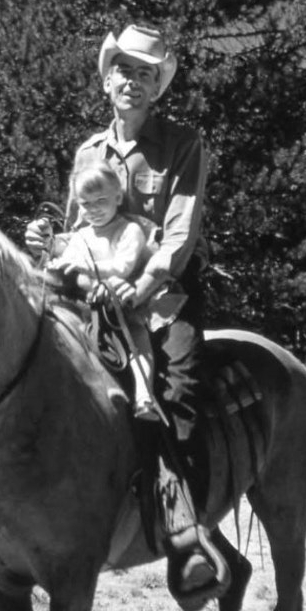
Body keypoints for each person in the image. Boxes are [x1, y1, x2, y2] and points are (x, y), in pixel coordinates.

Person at [0, 23, 227, 611]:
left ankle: (182, 533)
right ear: (108, 78)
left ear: (157, 85)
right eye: (124, 69)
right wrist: (50, 240)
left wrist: (138, 284)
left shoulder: (183, 145)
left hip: (157, 296)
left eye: (146, 73)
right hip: (88, 292)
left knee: (177, 390)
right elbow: (80, 231)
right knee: (9, 362)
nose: (132, 81)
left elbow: (179, 235)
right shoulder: (89, 152)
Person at [46, 159, 186, 423]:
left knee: (135, 337)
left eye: (101, 201)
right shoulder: (80, 237)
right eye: (85, 204)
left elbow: (123, 266)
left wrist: (83, 265)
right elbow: (67, 266)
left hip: (126, 300)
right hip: (88, 305)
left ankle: (144, 396)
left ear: (118, 197)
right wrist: (54, 265)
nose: (93, 210)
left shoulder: (129, 229)